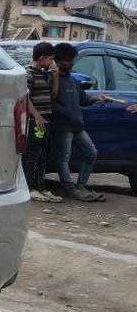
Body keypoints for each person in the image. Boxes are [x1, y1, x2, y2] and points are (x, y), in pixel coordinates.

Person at [49, 42, 112, 202]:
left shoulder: (73, 80)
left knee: (91, 153)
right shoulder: (51, 79)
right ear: (58, 61)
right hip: (62, 126)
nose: (70, 63)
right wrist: (68, 114)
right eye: (68, 60)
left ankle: (81, 186)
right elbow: (51, 102)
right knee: (64, 157)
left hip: (77, 125)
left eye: (71, 60)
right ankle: (69, 189)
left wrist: (97, 98)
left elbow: (83, 99)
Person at [22, 42, 60, 202]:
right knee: (32, 154)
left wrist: (55, 77)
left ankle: (41, 187)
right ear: (42, 58)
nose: (52, 62)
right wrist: (36, 116)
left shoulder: (46, 74)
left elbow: (53, 95)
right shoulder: (28, 73)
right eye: (50, 59)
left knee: (42, 155)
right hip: (34, 121)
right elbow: (24, 97)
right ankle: (29, 188)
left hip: (46, 120)